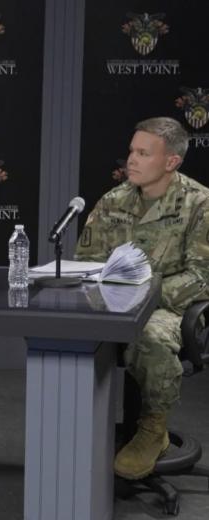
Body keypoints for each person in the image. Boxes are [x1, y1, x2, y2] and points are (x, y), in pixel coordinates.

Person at [75, 116, 209, 480]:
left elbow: (202, 277)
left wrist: (144, 297)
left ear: (171, 162)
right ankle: (77, 426)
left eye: (143, 153)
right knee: (71, 330)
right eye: (132, 151)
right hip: (113, 303)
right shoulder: (112, 201)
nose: (131, 160)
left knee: (147, 335)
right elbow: (87, 263)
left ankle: (153, 429)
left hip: (171, 309)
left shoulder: (200, 204)